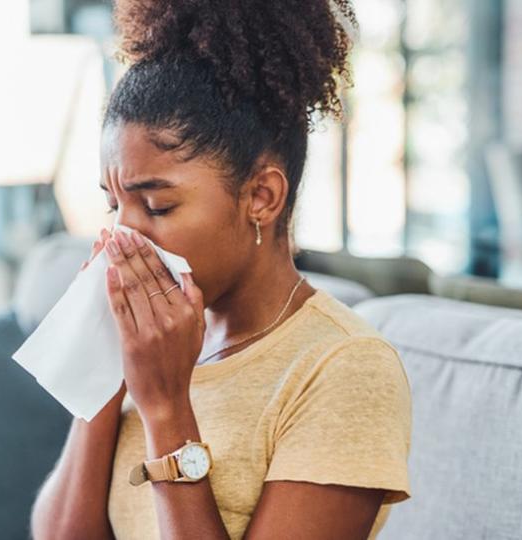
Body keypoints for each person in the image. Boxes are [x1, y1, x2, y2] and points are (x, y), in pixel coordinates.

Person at [31, 0, 411, 538]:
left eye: (157, 206)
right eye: (113, 206)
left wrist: (166, 409)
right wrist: (104, 367)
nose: (123, 236)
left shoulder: (344, 370)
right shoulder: (155, 340)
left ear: (261, 196)